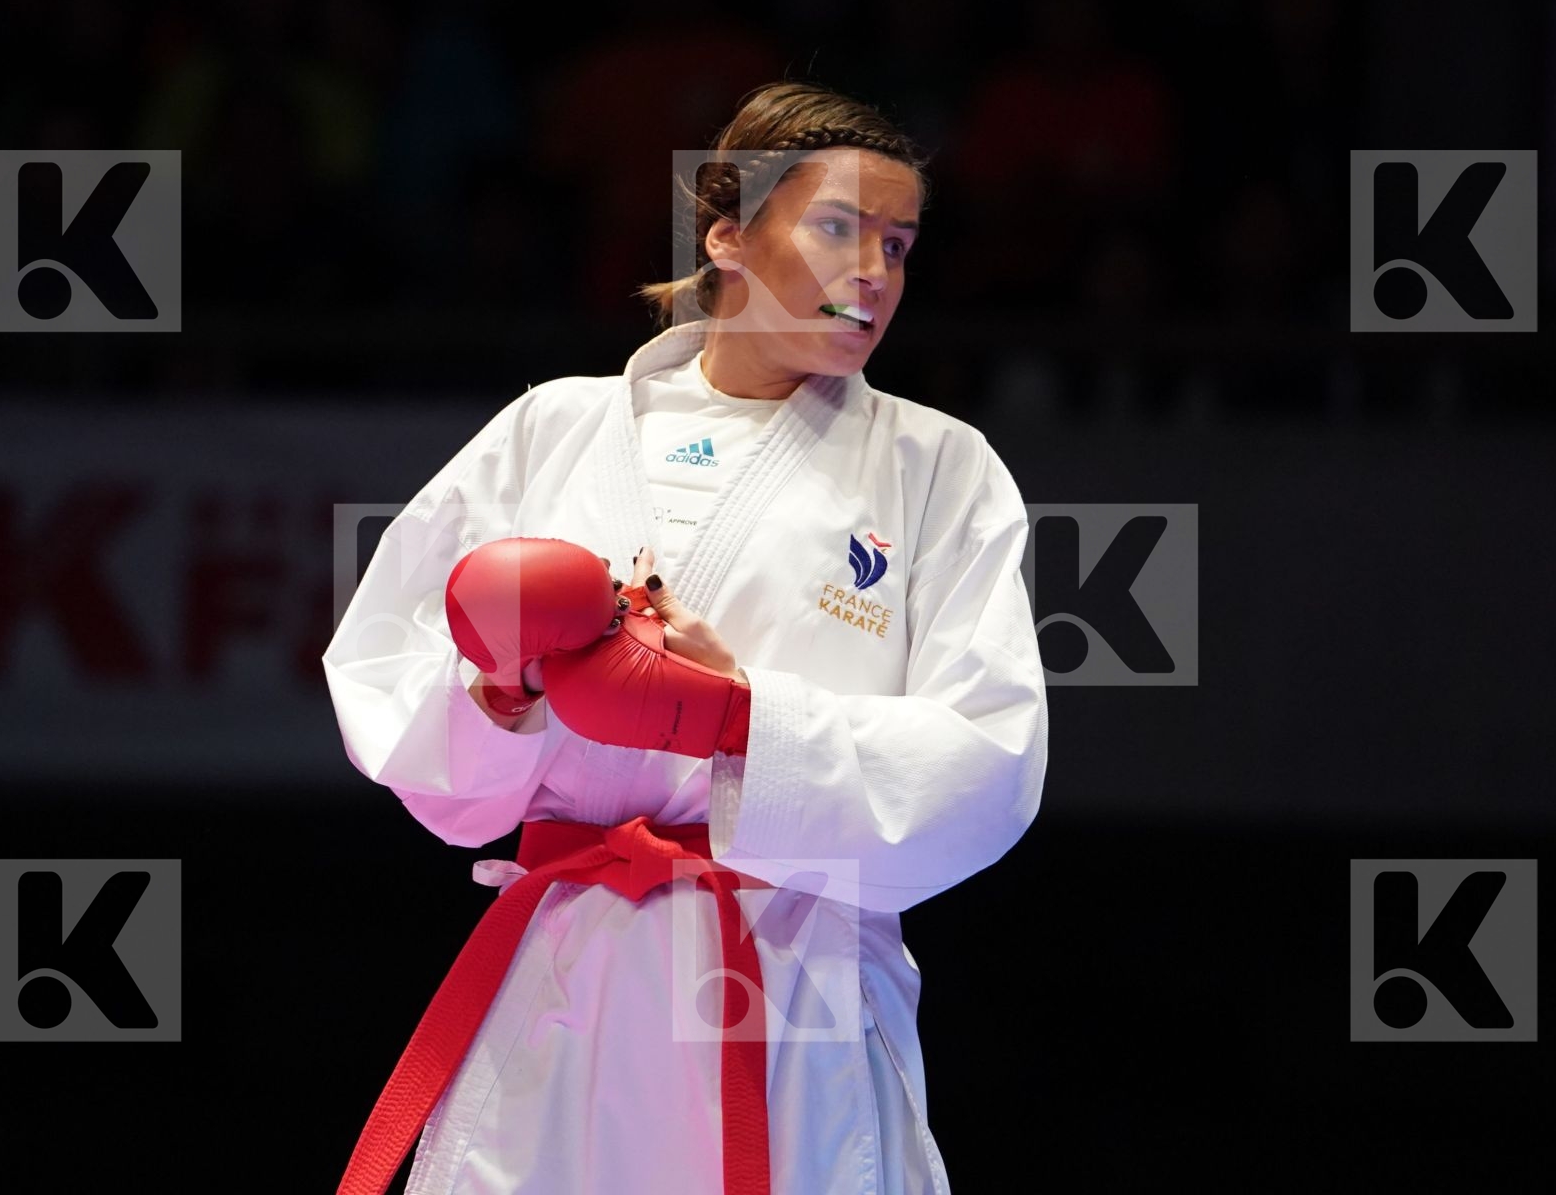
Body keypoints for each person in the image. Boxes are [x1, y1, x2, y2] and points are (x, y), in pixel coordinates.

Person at [322, 79, 1049, 1195]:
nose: (875, 274)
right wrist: (502, 698)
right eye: (840, 227)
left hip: (797, 979)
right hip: (574, 978)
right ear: (728, 235)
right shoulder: (553, 430)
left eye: (898, 246)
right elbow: (396, 695)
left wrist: (738, 717)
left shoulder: (937, 468)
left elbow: (990, 768)